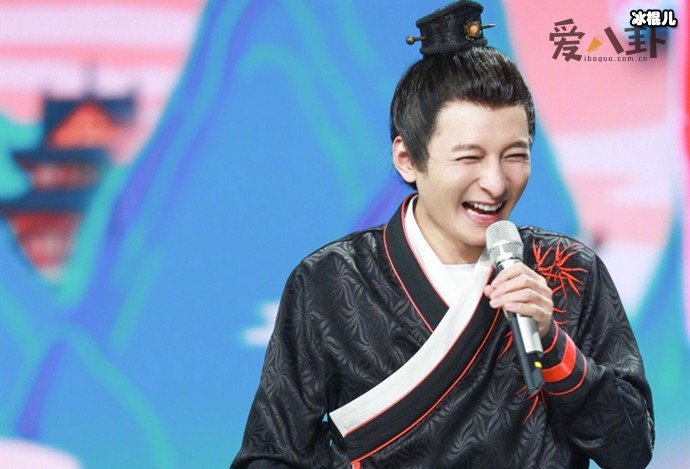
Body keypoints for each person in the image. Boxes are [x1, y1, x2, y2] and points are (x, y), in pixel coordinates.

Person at [231, 1, 654, 467]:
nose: (495, 182)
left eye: (515, 155)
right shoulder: (329, 282)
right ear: (407, 159)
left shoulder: (571, 270)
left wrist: (553, 342)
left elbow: (631, 450)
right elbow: (269, 456)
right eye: (469, 157)